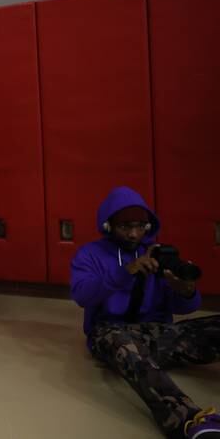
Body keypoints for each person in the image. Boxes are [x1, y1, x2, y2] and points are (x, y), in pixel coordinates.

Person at [71, 186, 219, 439]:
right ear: (108, 225)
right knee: (118, 339)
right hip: (110, 334)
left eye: (140, 226)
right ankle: (188, 420)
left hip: (156, 336)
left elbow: (186, 309)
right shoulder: (90, 254)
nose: (133, 234)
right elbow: (82, 295)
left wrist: (186, 291)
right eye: (125, 226)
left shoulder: (157, 254)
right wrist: (125, 271)